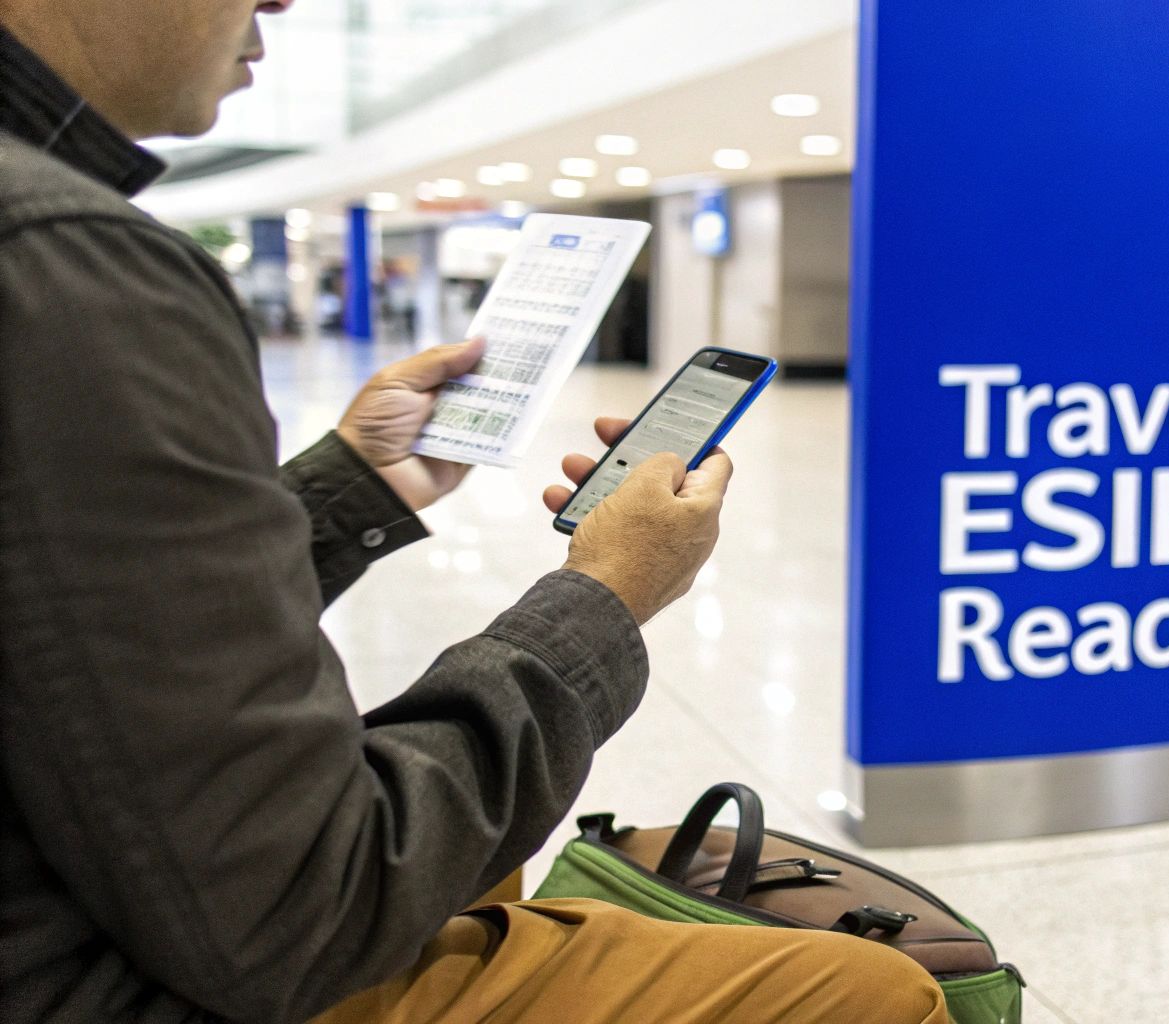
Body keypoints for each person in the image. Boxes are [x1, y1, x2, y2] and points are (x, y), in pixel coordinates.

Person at [0, 2, 947, 1023]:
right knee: (869, 993)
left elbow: (83, 611)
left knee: (492, 868)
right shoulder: (66, 255)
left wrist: (351, 484)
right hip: (120, 977)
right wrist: (605, 592)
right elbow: (310, 904)